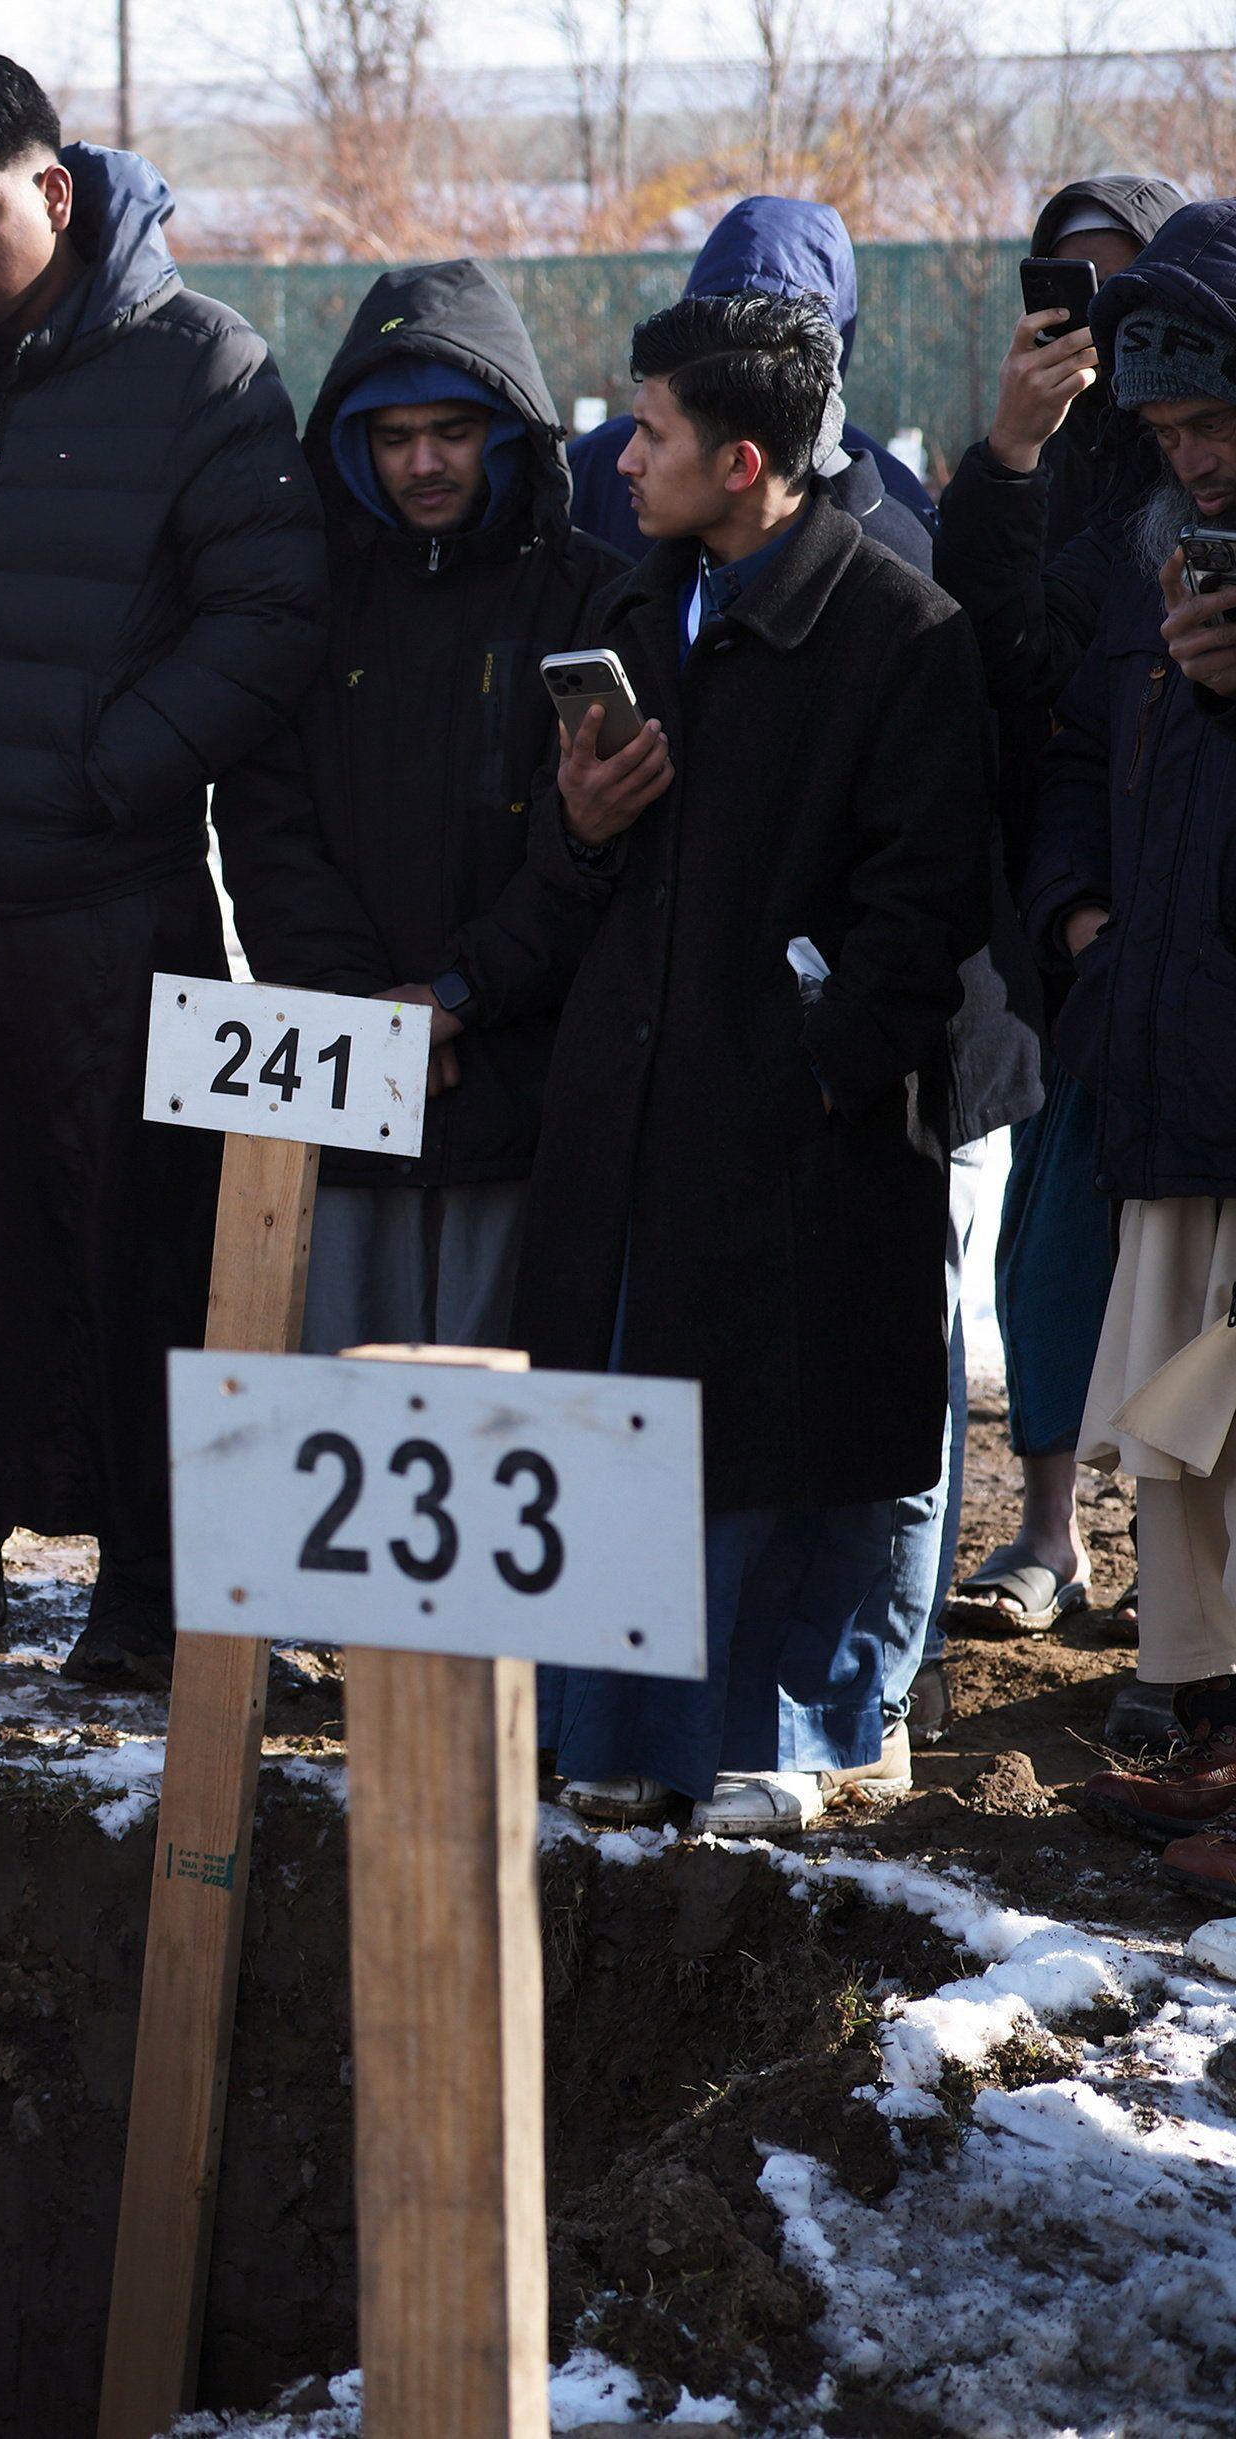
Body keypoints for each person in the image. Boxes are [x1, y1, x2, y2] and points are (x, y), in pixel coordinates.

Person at [0, 51, 324, 1676]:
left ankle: (150, 1589)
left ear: (57, 193)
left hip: (103, 910)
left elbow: (272, 616)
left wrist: (106, 769)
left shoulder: (205, 371)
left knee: (130, 1252)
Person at [527, 289, 991, 1837]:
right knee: (626, 1422)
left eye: (648, 430)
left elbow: (925, 911)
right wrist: (585, 823)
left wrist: (811, 1071)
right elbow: (569, 871)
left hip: (801, 1129)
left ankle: (778, 1736)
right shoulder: (637, 618)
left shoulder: (899, 633)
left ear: (740, 460)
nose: (621, 455)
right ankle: (611, 1726)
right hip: (643, 1107)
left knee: (784, 1443)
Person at [212, 259, 624, 1356]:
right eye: (394, 439)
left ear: (507, 429)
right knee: (336, 1403)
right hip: (341, 1079)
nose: (425, 463)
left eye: (452, 429)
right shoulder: (304, 603)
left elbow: (593, 838)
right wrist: (366, 1015)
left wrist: (456, 996)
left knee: (507, 1411)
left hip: (522, 1082)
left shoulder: (588, 596)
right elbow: (264, 826)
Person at [935, 175, 1184, 1646]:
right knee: (1049, 1236)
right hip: (1063, 908)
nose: (1094, 311)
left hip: (1191, 921)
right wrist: (1014, 446)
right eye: (1066, 277)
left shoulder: (1193, 459)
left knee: (1191, 1268)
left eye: (1125, 278)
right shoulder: (1043, 463)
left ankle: (1179, 1558)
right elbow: (1002, 656)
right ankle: (1046, 1530)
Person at [1023, 199, 1236, 1894]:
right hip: (1169, 1078)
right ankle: (1215, 1744)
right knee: (1186, 1442)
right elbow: (1078, 767)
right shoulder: (1151, 557)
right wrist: (1085, 945)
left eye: (1219, 417)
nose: (1199, 455)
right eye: (1170, 429)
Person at [565, 196, 938, 572]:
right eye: (723, 327)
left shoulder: (889, 522)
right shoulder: (597, 467)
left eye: (774, 347)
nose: (628, 462)